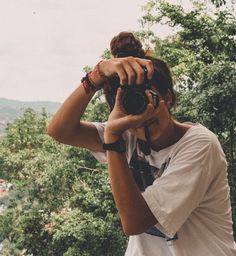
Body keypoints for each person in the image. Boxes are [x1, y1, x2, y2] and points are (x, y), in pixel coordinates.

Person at [47, 31, 236, 256]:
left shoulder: (200, 145)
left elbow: (135, 222)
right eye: (133, 104)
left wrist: (112, 141)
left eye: (150, 99)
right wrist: (97, 74)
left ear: (168, 98)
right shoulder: (126, 135)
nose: (143, 114)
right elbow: (60, 130)